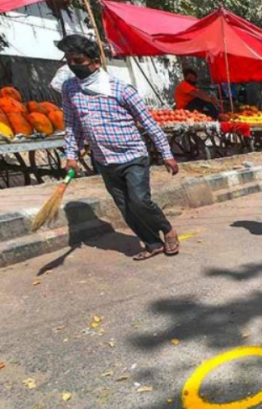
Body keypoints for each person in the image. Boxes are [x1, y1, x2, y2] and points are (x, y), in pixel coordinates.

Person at [58, 35, 180, 262]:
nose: (73, 65)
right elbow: (72, 125)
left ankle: (167, 229)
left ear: (95, 61)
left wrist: (167, 154)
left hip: (133, 156)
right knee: (125, 207)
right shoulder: (69, 89)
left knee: (140, 201)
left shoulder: (121, 89)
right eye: (69, 60)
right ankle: (153, 243)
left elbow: (149, 123)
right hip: (103, 160)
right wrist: (71, 156)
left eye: (78, 61)